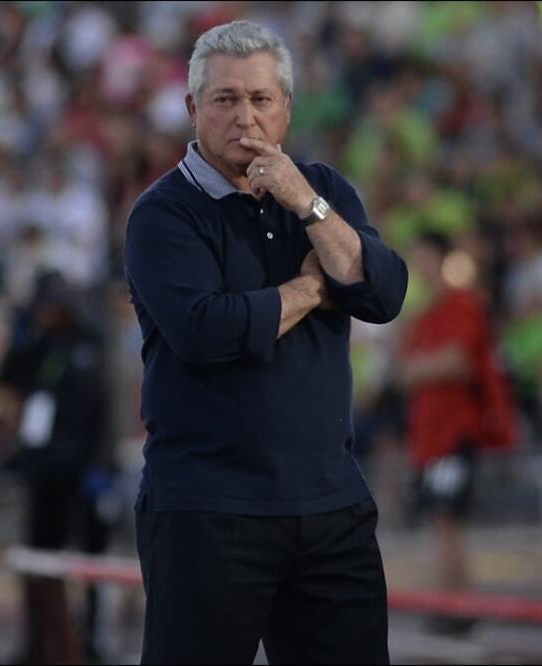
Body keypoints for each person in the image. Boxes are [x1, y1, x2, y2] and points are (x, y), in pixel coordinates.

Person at [123, 20, 408, 665]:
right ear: (193, 109)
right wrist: (312, 291)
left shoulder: (324, 191)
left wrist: (305, 202)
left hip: (331, 504)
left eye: (260, 99)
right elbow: (206, 330)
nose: (244, 117)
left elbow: (383, 292)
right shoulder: (163, 214)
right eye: (224, 99)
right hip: (207, 511)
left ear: (286, 108)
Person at [0, 270, 113, 664]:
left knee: (92, 566)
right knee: (37, 562)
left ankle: (93, 645)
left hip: (83, 470)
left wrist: (101, 465)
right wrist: (13, 326)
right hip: (45, 472)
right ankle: (41, 645)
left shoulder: (93, 346)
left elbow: (106, 409)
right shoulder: (41, 346)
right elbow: (1, 376)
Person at [397, 233, 517, 635]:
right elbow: (409, 368)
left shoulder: (461, 305)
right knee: (442, 520)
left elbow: (455, 362)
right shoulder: (424, 316)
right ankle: (452, 602)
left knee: (449, 519)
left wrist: (422, 367)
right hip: (430, 437)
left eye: (426, 258)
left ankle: (458, 604)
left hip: (454, 433)